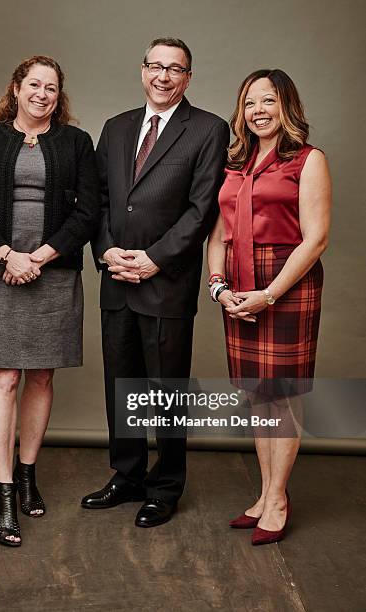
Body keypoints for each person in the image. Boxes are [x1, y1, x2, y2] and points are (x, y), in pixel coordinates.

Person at [82, 38, 229, 527]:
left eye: (175, 69)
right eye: (155, 66)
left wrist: (153, 260)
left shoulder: (208, 129)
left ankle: (165, 487)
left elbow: (201, 209)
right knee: (121, 386)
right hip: (116, 279)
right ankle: (126, 476)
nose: (163, 76)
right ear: (142, 71)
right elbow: (98, 201)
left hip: (166, 283)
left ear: (188, 77)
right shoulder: (116, 127)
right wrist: (105, 251)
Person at [0, 55, 100, 546]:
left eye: (51, 88)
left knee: (40, 374)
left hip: (52, 271)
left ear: (60, 96)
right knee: (5, 376)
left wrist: (39, 255)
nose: (42, 94)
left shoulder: (77, 142)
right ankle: (3, 493)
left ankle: (27, 474)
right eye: (34, 84)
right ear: (16, 88)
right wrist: (6, 254)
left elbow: (89, 212)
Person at [207, 69, 331, 545]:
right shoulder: (234, 163)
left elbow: (316, 238)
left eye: (269, 101)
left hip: (287, 281)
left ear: (287, 107)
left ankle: (278, 499)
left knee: (282, 394)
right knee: (258, 396)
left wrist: (271, 292)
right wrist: (219, 287)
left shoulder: (307, 159)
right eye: (250, 102)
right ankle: (264, 493)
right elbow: (218, 234)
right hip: (238, 282)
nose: (258, 110)